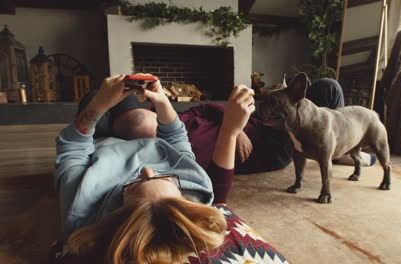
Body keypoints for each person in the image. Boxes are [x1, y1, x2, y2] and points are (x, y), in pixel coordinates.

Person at [54, 74, 256, 263]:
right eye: (166, 178)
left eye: (133, 185)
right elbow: (177, 140)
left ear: (117, 212)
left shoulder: (81, 211)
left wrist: (99, 104)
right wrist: (162, 101)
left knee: (93, 93)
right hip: (140, 135)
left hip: (97, 138)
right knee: (130, 98)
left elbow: (72, 146)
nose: (148, 171)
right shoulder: (195, 190)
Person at [78, 76, 375, 175]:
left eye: (150, 116)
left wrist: (237, 126)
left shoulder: (175, 119)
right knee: (327, 92)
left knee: (326, 87)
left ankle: (339, 149)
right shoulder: (176, 158)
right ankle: (339, 153)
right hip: (272, 141)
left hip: (253, 121)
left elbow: (207, 106)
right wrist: (233, 135)